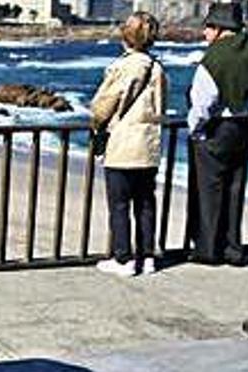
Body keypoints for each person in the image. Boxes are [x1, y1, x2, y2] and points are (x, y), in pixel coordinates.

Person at [187, 2, 248, 266]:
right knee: (235, 189)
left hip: (220, 129)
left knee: (210, 190)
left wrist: (196, 132)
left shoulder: (213, 59)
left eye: (208, 27)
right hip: (247, 128)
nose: (204, 34)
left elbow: (202, 104)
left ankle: (208, 251)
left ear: (220, 29)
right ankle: (233, 249)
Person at [90, 11, 168, 277]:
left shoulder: (125, 66)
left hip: (123, 144)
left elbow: (103, 106)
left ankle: (123, 259)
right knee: (146, 204)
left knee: (120, 204)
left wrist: (96, 120)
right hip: (148, 144)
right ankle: (147, 257)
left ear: (126, 35)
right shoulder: (157, 67)